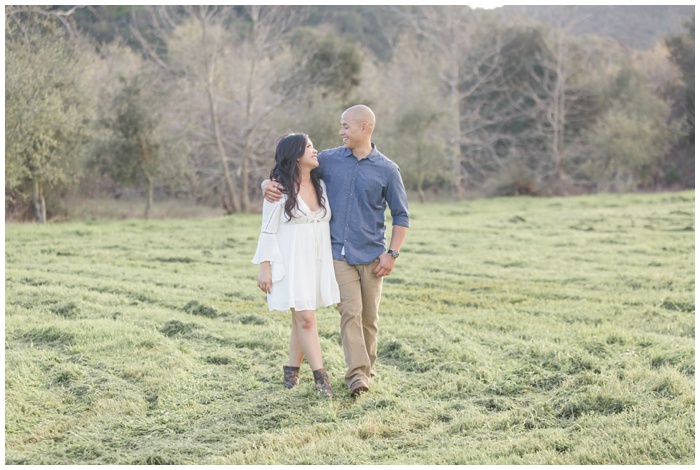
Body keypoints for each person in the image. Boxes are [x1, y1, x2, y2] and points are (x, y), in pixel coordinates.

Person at [263, 105, 410, 397]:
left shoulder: (388, 170)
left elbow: (401, 216)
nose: (340, 131)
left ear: (364, 128)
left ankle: (366, 368)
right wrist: (266, 183)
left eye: (345, 126)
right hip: (337, 255)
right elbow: (290, 167)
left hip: (372, 255)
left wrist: (391, 254)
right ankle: (357, 377)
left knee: (369, 318)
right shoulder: (328, 160)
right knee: (350, 313)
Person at [252, 133, 339, 398]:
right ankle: (321, 379)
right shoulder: (279, 189)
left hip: (316, 259)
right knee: (306, 318)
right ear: (295, 155)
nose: (315, 150)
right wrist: (264, 267)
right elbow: (268, 230)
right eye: (309, 147)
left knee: (301, 318)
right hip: (291, 259)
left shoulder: (322, 184)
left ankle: (291, 372)